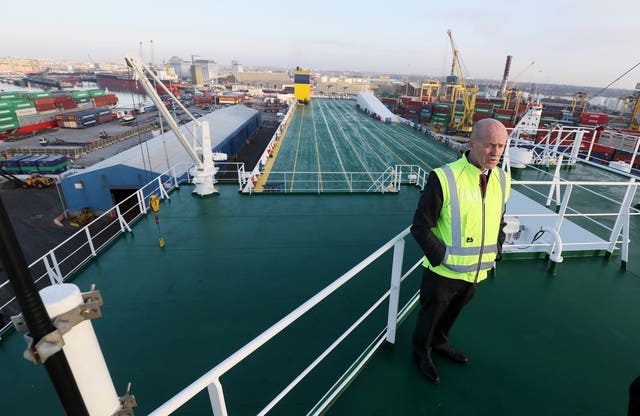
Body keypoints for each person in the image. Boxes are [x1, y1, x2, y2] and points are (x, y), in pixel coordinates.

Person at [410, 118, 510, 384]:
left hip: (477, 271)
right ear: (471, 143)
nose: (496, 152)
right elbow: (420, 227)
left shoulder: (502, 178)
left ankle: (440, 344)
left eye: (501, 146)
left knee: (452, 315)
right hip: (443, 272)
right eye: (490, 145)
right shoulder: (444, 177)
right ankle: (422, 354)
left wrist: (496, 250)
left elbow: (499, 219)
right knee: (430, 317)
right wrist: (442, 257)